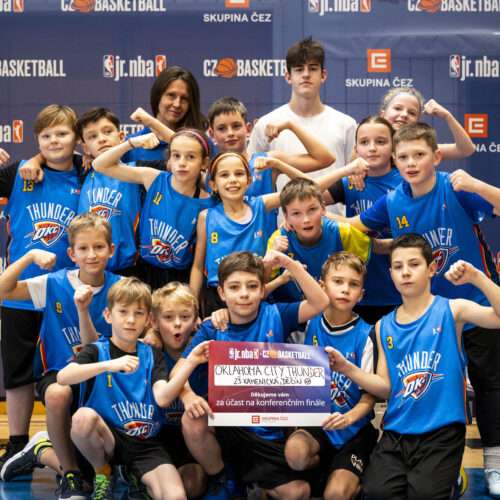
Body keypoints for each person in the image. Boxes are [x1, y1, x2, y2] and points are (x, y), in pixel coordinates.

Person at [344, 123, 500, 494]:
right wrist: (309, 219)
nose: (411, 162)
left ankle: (494, 463)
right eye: (404, 156)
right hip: (430, 312)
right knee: (430, 385)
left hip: (472, 303)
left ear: (437, 157)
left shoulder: (456, 187)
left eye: (419, 154)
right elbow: (354, 226)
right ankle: (438, 467)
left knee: (489, 384)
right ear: (394, 161)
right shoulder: (393, 200)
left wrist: (477, 185)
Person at [327, 234, 500, 499]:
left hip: (441, 432)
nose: (405, 272)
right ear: (391, 274)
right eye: (398, 266)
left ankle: (452, 479)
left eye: (414, 264)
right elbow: (386, 388)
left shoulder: (453, 310)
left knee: (424, 494)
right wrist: (346, 368)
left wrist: (477, 277)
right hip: (396, 432)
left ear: (431, 268)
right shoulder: (383, 326)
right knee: (376, 494)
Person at [174, 250, 329, 500]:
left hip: (265, 429)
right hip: (225, 426)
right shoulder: (212, 328)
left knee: (298, 492)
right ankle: (223, 479)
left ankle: (255, 484)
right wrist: (187, 396)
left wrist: (288, 263)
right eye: (234, 287)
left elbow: (320, 302)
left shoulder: (276, 314)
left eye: (252, 286)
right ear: (221, 293)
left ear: (262, 289)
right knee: (192, 419)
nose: (244, 293)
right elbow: (176, 372)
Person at [0, 213, 121, 498]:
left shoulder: (121, 287)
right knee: (57, 394)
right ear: (72, 253)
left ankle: (41, 451)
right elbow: (3, 289)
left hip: (103, 377)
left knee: (101, 472)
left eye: (99, 247)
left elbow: (142, 328)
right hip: (59, 374)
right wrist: (29, 256)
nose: (91, 254)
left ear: (111, 250)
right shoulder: (54, 283)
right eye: (83, 248)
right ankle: (70, 475)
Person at [57, 277, 212, 500]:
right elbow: (63, 377)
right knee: (82, 418)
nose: (131, 319)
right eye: (123, 312)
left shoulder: (152, 354)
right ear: (108, 315)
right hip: (109, 440)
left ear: (148, 319)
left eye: (138, 313)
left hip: (145, 442)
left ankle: (134, 475)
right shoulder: (97, 350)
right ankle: (103, 471)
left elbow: (163, 398)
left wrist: (191, 362)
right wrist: (109, 365)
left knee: (176, 495)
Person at [0, 104, 84, 475]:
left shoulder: (87, 171)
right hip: (19, 290)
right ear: (36, 140)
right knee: (18, 372)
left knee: (68, 370)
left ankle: (73, 445)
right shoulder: (18, 173)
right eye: (45, 136)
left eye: (62, 134)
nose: (53, 141)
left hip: (65, 293)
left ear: (76, 139)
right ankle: (17, 444)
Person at [189, 152, 364, 316]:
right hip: (218, 297)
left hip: (256, 292)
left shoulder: (259, 205)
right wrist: (193, 306)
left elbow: (309, 189)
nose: (233, 180)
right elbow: (197, 267)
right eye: (224, 175)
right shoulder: (206, 217)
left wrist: (347, 170)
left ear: (249, 181)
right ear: (213, 184)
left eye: (239, 174)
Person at [285, 252, 378, 500]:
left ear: (361, 294)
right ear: (322, 286)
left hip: (354, 428)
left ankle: (362, 474)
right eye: (338, 281)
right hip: (317, 425)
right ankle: (323, 466)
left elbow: (370, 397)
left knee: (336, 494)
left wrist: (348, 418)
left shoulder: (367, 335)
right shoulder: (307, 324)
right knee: (295, 454)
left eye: (353, 284)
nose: (345, 289)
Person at [92, 128, 216, 290]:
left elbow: (198, 265)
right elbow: (99, 165)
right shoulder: (154, 179)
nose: (182, 162)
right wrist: (131, 143)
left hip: (180, 279)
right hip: (144, 271)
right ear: (169, 159)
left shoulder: (208, 203)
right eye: (176, 155)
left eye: (190, 157)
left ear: (204, 163)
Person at [248, 37, 356, 216]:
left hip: (335, 223)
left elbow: (353, 180)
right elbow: (255, 180)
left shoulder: (346, 124)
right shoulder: (266, 124)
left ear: (323, 75)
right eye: (299, 69)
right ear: (288, 77)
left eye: (312, 68)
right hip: (284, 226)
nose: (306, 74)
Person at [207, 96, 335, 238]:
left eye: (236, 126)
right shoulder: (208, 173)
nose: (230, 133)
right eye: (222, 128)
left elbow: (324, 158)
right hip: (224, 249)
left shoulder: (268, 162)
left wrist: (291, 125)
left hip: (267, 248)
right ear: (211, 134)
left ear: (248, 129)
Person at [324, 116, 402, 323]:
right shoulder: (350, 182)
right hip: (354, 291)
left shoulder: (406, 183)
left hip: (398, 289)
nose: (372, 148)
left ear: (394, 148)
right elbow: (305, 196)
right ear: (356, 149)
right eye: (364, 142)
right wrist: (346, 169)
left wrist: (319, 213)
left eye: (381, 142)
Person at [267, 176, 390, 304]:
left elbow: (379, 246)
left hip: (334, 310)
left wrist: (405, 242)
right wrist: (270, 259)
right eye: (296, 213)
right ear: (286, 217)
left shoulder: (341, 231)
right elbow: (263, 287)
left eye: (312, 209)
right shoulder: (278, 240)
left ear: (323, 208)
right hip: (291, 313)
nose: (306, 219)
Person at [152, 282, 208, 499]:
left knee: (192, 486)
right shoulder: (146, 351)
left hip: (194, 433)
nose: (177, 323)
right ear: (154, 322)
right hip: (156, 435)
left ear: (195, 321)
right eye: (168, 317)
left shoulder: (205, 350)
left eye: (185, 317)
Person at [122, 65, 215, 162]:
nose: (177, 104)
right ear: (157, 96)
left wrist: (153, 122)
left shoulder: (203, 143)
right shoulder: (131, 143)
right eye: (171, 95)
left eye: (184, 98)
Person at [379, 87, 474, 160]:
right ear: (382, 114)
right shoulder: (370, 147)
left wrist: (447, 116)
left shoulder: (423, 148)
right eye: (398, 108)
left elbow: (466, 150)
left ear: (417, 123)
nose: (404, 115)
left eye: (412, 113)